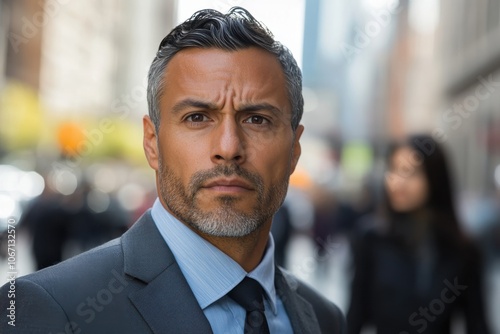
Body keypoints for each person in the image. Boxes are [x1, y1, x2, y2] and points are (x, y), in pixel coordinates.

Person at [0, 7, 346, 333]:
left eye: (257, 120)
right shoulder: (47, 310)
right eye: (197, 118)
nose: (228, 148)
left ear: (295, 149)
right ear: (152, 142)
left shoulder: (323, 318)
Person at [347, 135, 491, 334]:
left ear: (434, 178)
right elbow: (354, 317)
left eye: (412, 173)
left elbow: (477, 324)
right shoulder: (371, 239)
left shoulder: (462, 250)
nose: (398, 183)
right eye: (394, 169)